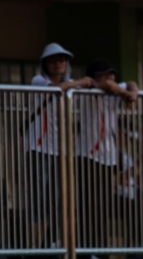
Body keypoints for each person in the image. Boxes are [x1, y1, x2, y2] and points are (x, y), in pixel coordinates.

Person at [24, 43, 95, 249]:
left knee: (58, 200)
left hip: (60, 151)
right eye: (52, 60)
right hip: (38, 148)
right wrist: (79, 82)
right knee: (38, 200)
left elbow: (101, 85)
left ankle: (50, 245)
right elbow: (55, 89)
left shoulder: (71, 85)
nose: (57, 64)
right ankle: (31, 248)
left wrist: (130, 88)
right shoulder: (38, 80)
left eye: (62, 59)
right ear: (45, 64)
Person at [76, 59, 138, 253]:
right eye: (105, 74)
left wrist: (133, 91)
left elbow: (130, 82)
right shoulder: (89, 90)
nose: (111, 78)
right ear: (93, 78)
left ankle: (100, 250)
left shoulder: (114, 91)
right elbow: (108, 85)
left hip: (108, 157)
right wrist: (126, 94)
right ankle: (87, 250)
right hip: (87, 156)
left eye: (112, 73)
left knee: (102, 206)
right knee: (88, 206)